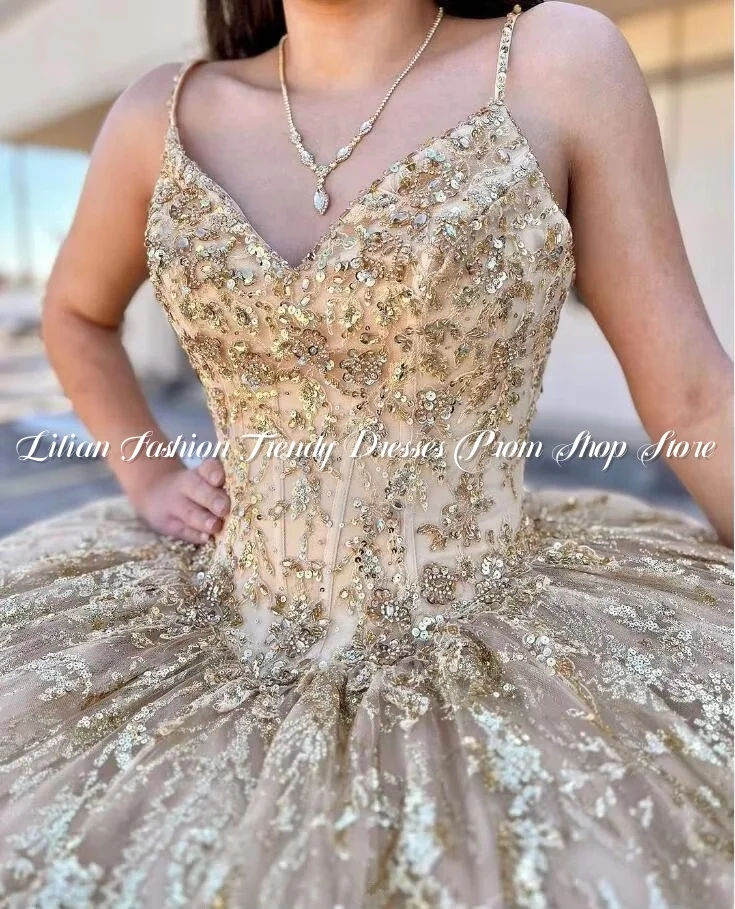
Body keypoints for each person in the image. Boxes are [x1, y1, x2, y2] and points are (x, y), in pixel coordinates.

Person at [0, 1, 732, 906]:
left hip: (497, 630)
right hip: (219, 615)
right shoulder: (161, 115)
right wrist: (148, 472)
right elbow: (75, 314)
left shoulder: (556, 62)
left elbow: (695, 391)